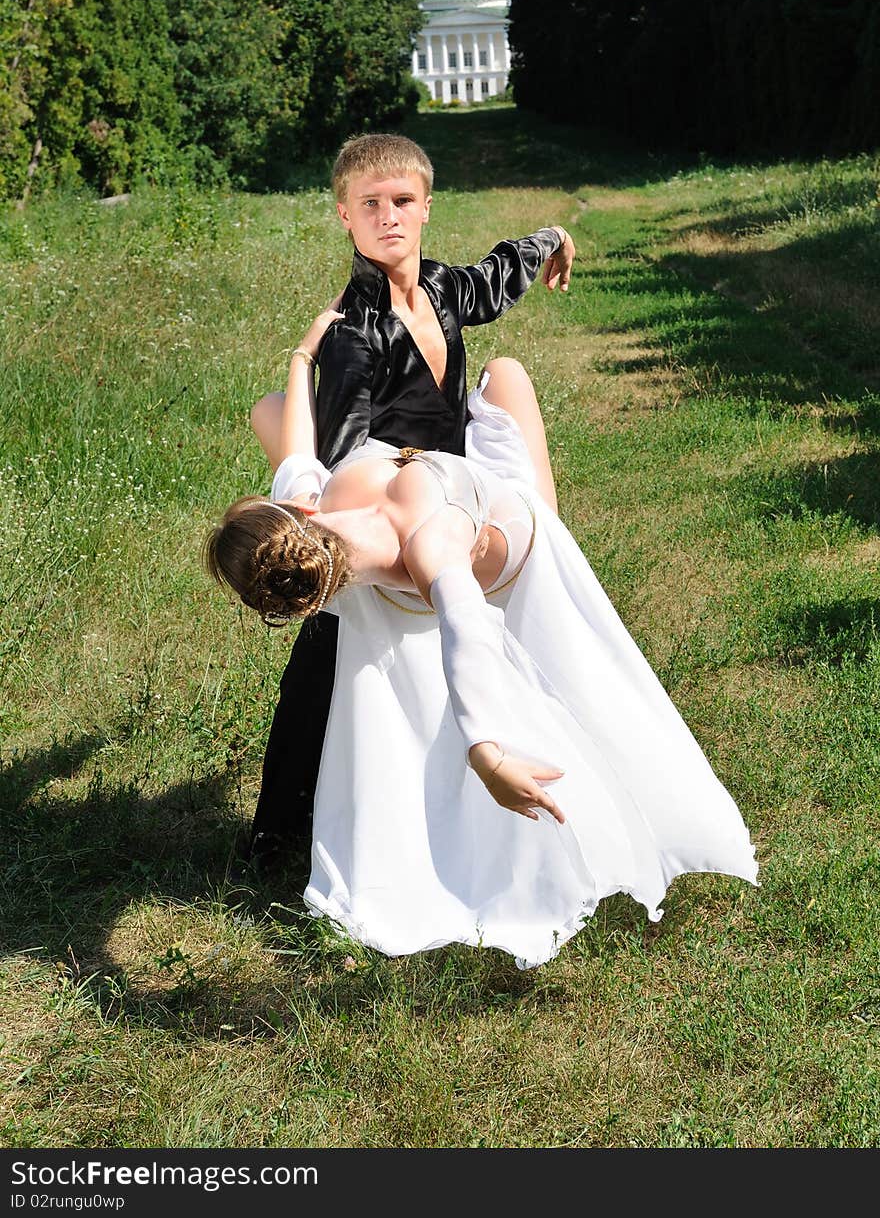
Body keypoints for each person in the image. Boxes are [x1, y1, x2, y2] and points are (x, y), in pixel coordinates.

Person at [205, 315, 758, 969]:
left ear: (298, 605)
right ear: (303, 519)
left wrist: (485, 753)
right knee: (497, 377)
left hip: (484, 524)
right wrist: (301, 357)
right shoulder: (353, 510)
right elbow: (299, 457)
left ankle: (455, 422)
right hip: (482, 526)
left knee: (487, 385)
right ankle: (447, 415)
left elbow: (465, 626)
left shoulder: (381, 536)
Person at [248, 131, 575, 866]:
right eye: (371, 205)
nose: (388, 217)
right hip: (388, 505)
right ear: (345, 217)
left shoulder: (443, 288)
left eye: (402, 201)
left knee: (483, 627)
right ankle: (280, 823)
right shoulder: (353, 336)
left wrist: (552, 238)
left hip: (455, 495)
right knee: (332, 636)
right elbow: (344, 448)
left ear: (427, 206)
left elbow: (499, 274)